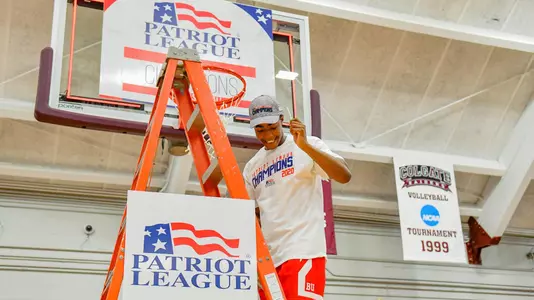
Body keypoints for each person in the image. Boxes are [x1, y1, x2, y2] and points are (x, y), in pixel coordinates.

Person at [242, 95, 352, 299]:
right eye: (260, 129)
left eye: (272, 126)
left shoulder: (307, 145)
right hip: (269, 261)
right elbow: (253, 216)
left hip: (302, 251)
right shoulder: (252, 167)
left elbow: (344, 175)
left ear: (282, 119)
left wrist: (306, 146)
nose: (267, 134)